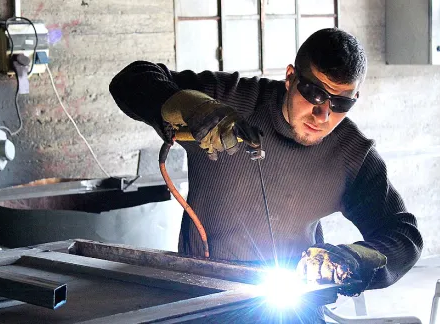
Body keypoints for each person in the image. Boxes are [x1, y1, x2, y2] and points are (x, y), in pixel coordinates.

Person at [109, 28, 423, 322]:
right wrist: (191, 106)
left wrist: (354, 259)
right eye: (314, 93)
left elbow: (403, 232)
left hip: (292, 306)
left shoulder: (350, 153)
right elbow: (131, 79)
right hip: (203, 300)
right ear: (290, 77)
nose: (323, 115)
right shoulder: (230, 99)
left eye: (340, 103)